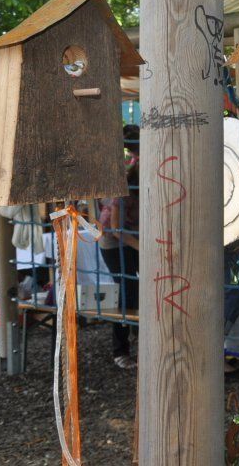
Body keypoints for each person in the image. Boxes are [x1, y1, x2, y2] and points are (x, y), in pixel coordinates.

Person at [98, 125, 140, 369]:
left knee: (142, 286)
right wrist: (142, 247)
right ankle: (120, 350)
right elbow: (116, 229)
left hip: (132, 235)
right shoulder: (122, 189)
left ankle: (138, 335)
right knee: (126, 287)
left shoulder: (140, 179)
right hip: (114, 241)